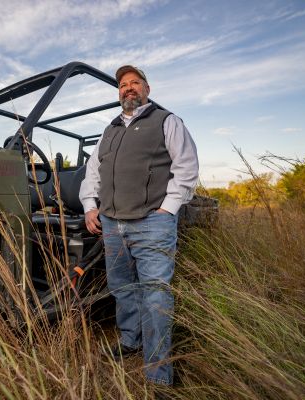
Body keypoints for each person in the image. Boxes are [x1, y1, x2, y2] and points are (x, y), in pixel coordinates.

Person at [79, 65, 199, 387]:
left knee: (156, 295)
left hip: (151, 223)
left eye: (135, 82)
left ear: (147, 88)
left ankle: (158, 374)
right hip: (111, 224)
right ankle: (130, 340)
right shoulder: (110, 130)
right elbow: (93, 172)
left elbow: (186, 168)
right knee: (121, 288)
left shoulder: (167, 121)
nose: (128, 88)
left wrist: (166, 210)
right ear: (119, 92)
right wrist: (90, 206)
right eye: (123, 84)